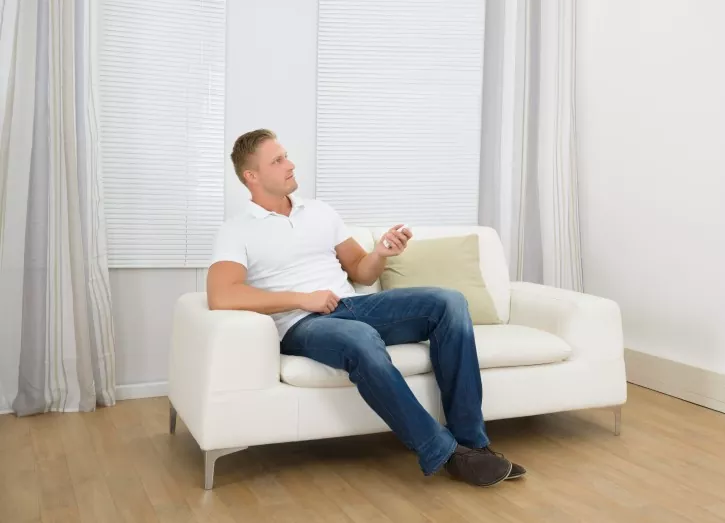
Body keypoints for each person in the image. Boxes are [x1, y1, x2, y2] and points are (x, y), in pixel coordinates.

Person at [206, 129, 525, 487]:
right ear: (251, 176)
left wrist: (380, 254)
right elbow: (222, 295)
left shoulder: (320, 211)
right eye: (277, 160)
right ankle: (444, 453)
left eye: (286, 156)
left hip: (353, 305)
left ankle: (472, 444)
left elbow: (359, 269)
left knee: (448, 302)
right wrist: (301, 298)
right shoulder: (236, 230)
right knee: (359, 338)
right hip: (302, 323)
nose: (290, 165)